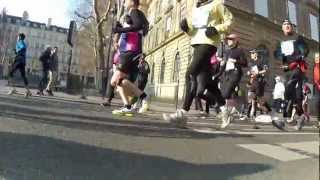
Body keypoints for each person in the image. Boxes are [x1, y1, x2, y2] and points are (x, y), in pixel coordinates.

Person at [163, 0, 233, 128]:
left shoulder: (216, 4)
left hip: (209, 43)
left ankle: (182, 114)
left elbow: (229, 21)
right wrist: (186, 29)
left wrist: (216, 28)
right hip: (197, 43)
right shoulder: (196, 8)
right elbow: (194, 31)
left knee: (190, 73)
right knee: (209, 83)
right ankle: (224, 110)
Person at [111, 0, 150, 115]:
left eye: (126, 0)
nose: (124, 2)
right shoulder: (137, 14)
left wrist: (120, 30)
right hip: (133, 51)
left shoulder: (134, 11)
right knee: (120, 82)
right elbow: (141, 29)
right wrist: (122, 28)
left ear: (132, 2)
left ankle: (143, 97)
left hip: (130, 52)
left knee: (114, 81)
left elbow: (137, 27)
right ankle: (128, 106)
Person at [272, 19, 309, 131]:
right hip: (287, 69)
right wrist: (278, 55)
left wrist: (300, 56)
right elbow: (278, 53)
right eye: (285, 24)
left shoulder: (298, 38)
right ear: (282, 28)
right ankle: (302, 116)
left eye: (289, 24)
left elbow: (305, 51)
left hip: (297, 68)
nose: (287, 26)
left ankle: (282, 121)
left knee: (288, 88)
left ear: (292, 27)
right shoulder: (281, 40)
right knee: (295, 97)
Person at [215, 33, 247, 128]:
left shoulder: (240, 50)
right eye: (228, 39)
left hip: (235, 74)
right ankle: (233, 112)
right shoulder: (227, 52)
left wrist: (236, 61)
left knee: (225, 95)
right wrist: (217, 75)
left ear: (236, 40)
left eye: (231, 39)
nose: (229, 41)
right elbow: (223, 65)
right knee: (229, 95)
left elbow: (245, 63)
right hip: (226, 75)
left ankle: (227, 115)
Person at [246, 49, 271, 119]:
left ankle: (267, 110)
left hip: (259, 82)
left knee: (259, 101)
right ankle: (252, 112)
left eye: (252, 53)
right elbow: (251, 71)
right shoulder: (251, 62)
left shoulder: (261, 61)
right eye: (251, 53)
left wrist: (258, 73)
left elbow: (266, 70)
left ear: (256, 54)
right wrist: (249, 73)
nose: (251, 55)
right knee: (251, 96)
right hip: (253, 81)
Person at [8, 33, 32, 97]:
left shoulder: (20, 41)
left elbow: (23, 48)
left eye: (18, 36)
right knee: (23, 76)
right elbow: (22, 49)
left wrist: (17, 50)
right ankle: (28, 91)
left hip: (19, 60)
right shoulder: (22, 42)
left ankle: (14, 89)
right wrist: (16, 51)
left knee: (10, 73)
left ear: (20, 37)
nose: (17, 37)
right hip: (23, 61)